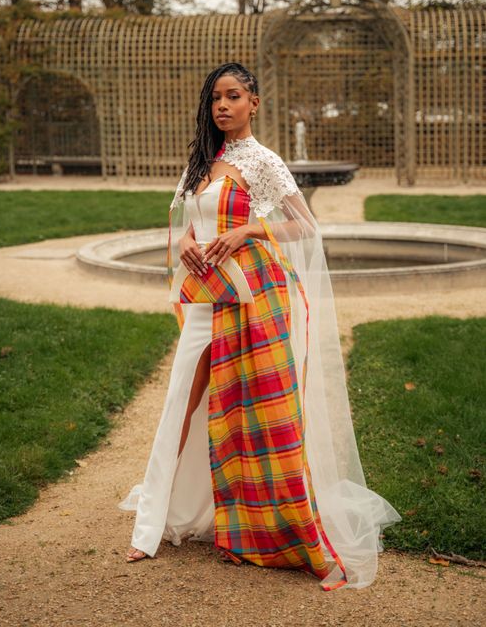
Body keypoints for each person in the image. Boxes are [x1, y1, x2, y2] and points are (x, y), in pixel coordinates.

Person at [118, 61, 402, 590]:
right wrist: (183, 241)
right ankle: (151, 524)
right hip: (207, 297)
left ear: (254, 103)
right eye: (215, 98)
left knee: (255, 409)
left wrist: (250, 229)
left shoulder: (263, 161)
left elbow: (304, 224)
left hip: (254, 299)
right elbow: (184, 221)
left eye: (233, 96)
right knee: (182, 400)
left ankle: (260, 522)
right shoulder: (202, 159)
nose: (222, 106)